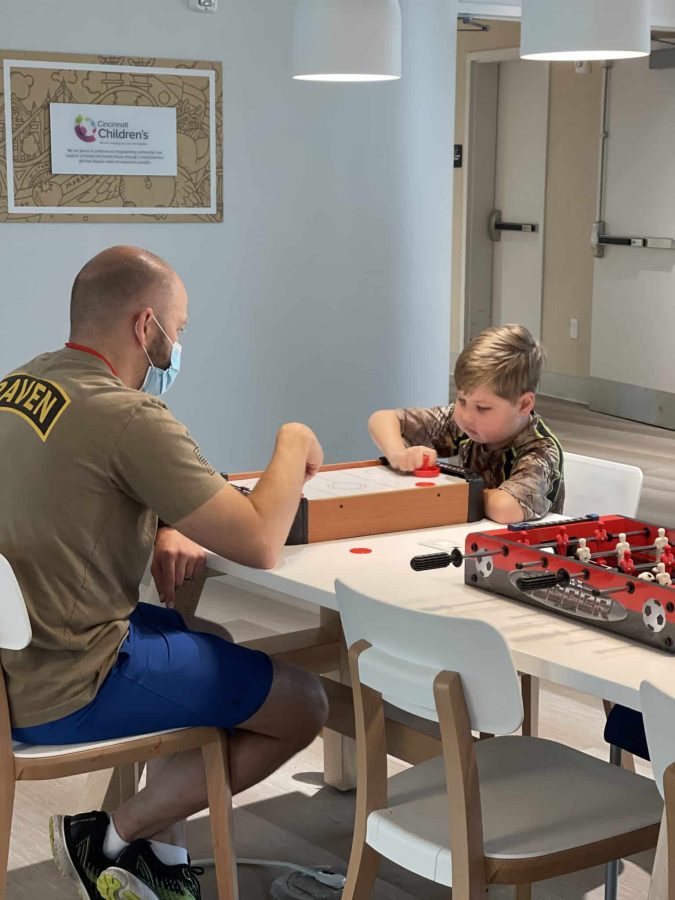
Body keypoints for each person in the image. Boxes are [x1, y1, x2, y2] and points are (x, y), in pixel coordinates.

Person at [0, 246, 328, 900]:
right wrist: (293, 439)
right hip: (72, 682)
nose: (178, 346)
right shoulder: (128, 416)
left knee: (214, 642)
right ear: (144, 326)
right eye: (178, 329)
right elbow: (260, 540)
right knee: (305, 703)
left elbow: (84, 488)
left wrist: (169, 521)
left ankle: (161, 859)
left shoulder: (21, 385)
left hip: (18, 660)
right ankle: (109, 834)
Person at [368, 324, 564, 523]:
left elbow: (506, 509)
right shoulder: (466, 424)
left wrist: (448, 490)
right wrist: (399, 454)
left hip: (526, 550)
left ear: (524, 404)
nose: (467, 415)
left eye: (482, 408)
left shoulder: (541, 450)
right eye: (461, 399)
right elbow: (382, 419)